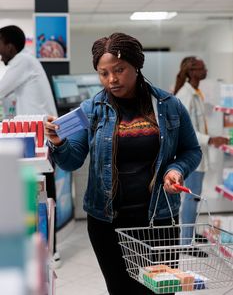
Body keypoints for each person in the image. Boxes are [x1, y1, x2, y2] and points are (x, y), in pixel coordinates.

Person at [44, 32, 202, 295]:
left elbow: (192, 150)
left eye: (119, 70)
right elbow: (72, 161)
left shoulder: (169, 105)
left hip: (159, 221)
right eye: (103, 73)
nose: (112, 79)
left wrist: (176, 169)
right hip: (108, 224)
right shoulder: (91, 109)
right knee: (121, 291)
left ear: (136, 66)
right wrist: (59, 143)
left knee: (161, 292)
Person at [0, 25, 60, 268]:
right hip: (37, 133)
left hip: (41, 135)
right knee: (41, 192)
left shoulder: (22, 62)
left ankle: (51, 250)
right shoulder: (25, 63)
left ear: (10, 46)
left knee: (45, 195)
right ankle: (43, 247)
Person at [174, 56, 229, 246]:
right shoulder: (185, 95)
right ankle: (185, 241)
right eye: (201, 68)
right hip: (190, 156)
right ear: (191, 71)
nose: (205, 70)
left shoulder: (195, 92)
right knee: (190, 199)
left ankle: (189, 234)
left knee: (194, 198)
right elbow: (185, 131)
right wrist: (211, 139)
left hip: (198, 154)